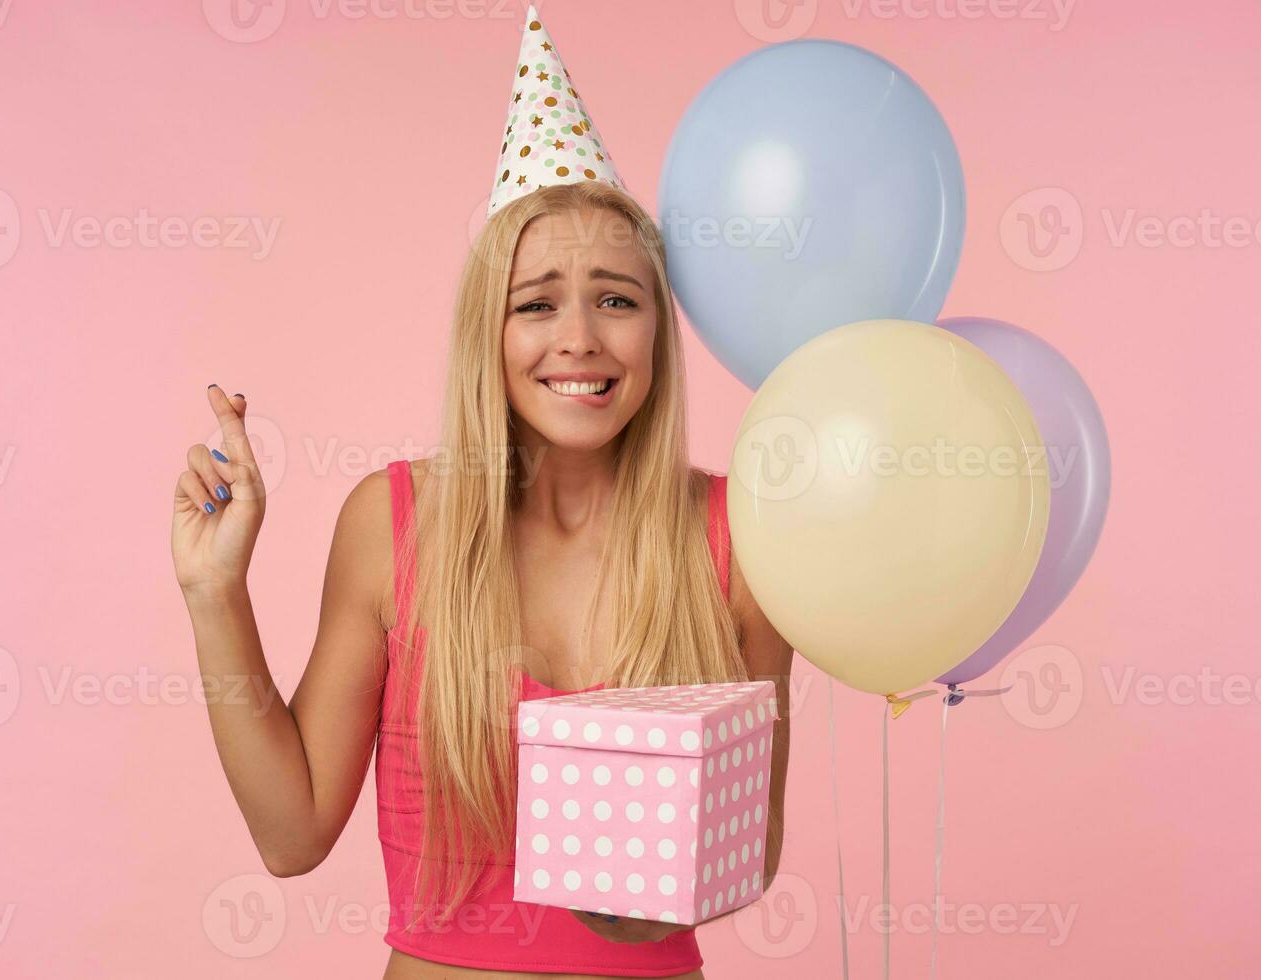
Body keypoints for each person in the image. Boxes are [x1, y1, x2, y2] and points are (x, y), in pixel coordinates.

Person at [170, 8, 794, 978]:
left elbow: (750, 854)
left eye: (617, 299)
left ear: (657, 335)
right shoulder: (391, 525)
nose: (579, 337)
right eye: (536, 302)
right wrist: (217, 592)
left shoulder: (733, 538)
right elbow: (291, 834)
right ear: (487, 336)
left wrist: (629, 861)